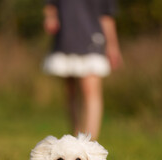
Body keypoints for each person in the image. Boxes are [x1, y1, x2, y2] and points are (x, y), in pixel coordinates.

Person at [43, 0, 123, 140]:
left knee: (90, 91)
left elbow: (107, 16)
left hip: (92, 38)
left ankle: (89, 142)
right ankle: (75, 138)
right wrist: (50, 17)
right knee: (71, 91)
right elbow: (51, 5)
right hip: (66, 38)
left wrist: (112, 45)